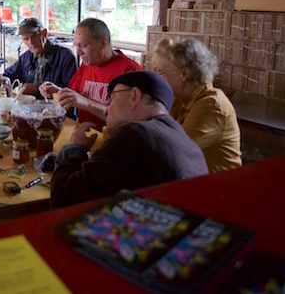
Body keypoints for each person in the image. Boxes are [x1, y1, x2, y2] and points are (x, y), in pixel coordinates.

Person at [50, 71, 209, 209]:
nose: (107, 110)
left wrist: (75, 148)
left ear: (134, 96)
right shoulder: (184, 140)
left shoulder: (135, 134)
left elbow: (63, 198)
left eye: (112, 99)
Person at [152, 38, 242, 173]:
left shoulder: (211, 106)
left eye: (160, 72)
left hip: (219, 187)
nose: (156, 77)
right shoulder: (178, 97)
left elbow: (172, 148)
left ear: (184, 73)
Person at [39, 18, 141, 128]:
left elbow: (126, 120)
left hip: (113, 138)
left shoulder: (130, 71)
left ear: (103, 43)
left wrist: (87, 103)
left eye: (83, 45)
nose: (78, 52)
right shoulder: (87, 65)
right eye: (76, 46)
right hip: (84, 133)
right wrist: (57, 91)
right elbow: (76, 96)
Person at [2, 17, 77, 98]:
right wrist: (2, 82)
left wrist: (37, 88)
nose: (31, 42)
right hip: (29, 108)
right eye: (26, 39)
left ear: (44, 33)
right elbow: (10, 75)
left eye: (34, 36)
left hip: (55, 109)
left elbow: (73, 92)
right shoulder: (26, 57)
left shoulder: (65, 57)